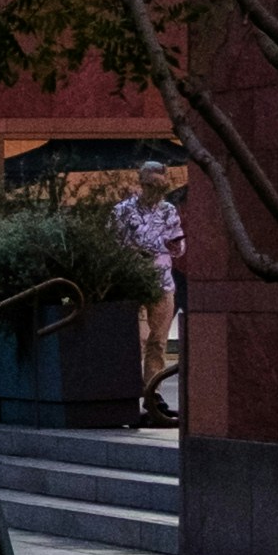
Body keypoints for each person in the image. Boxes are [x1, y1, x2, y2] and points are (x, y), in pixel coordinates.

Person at [113, 159, 185, 417]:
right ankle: (127, 395)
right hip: (134, 282)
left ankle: (152, 395)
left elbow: (178, 243)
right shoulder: (122, 210)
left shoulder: (168, 211)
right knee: (138, 339)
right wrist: (133, 253)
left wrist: (176, 247)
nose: (156, 190)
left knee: (158, 342)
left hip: (162, 281)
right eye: (151, 185)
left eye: (160, 186)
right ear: (141, 182)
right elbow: (112, 243)